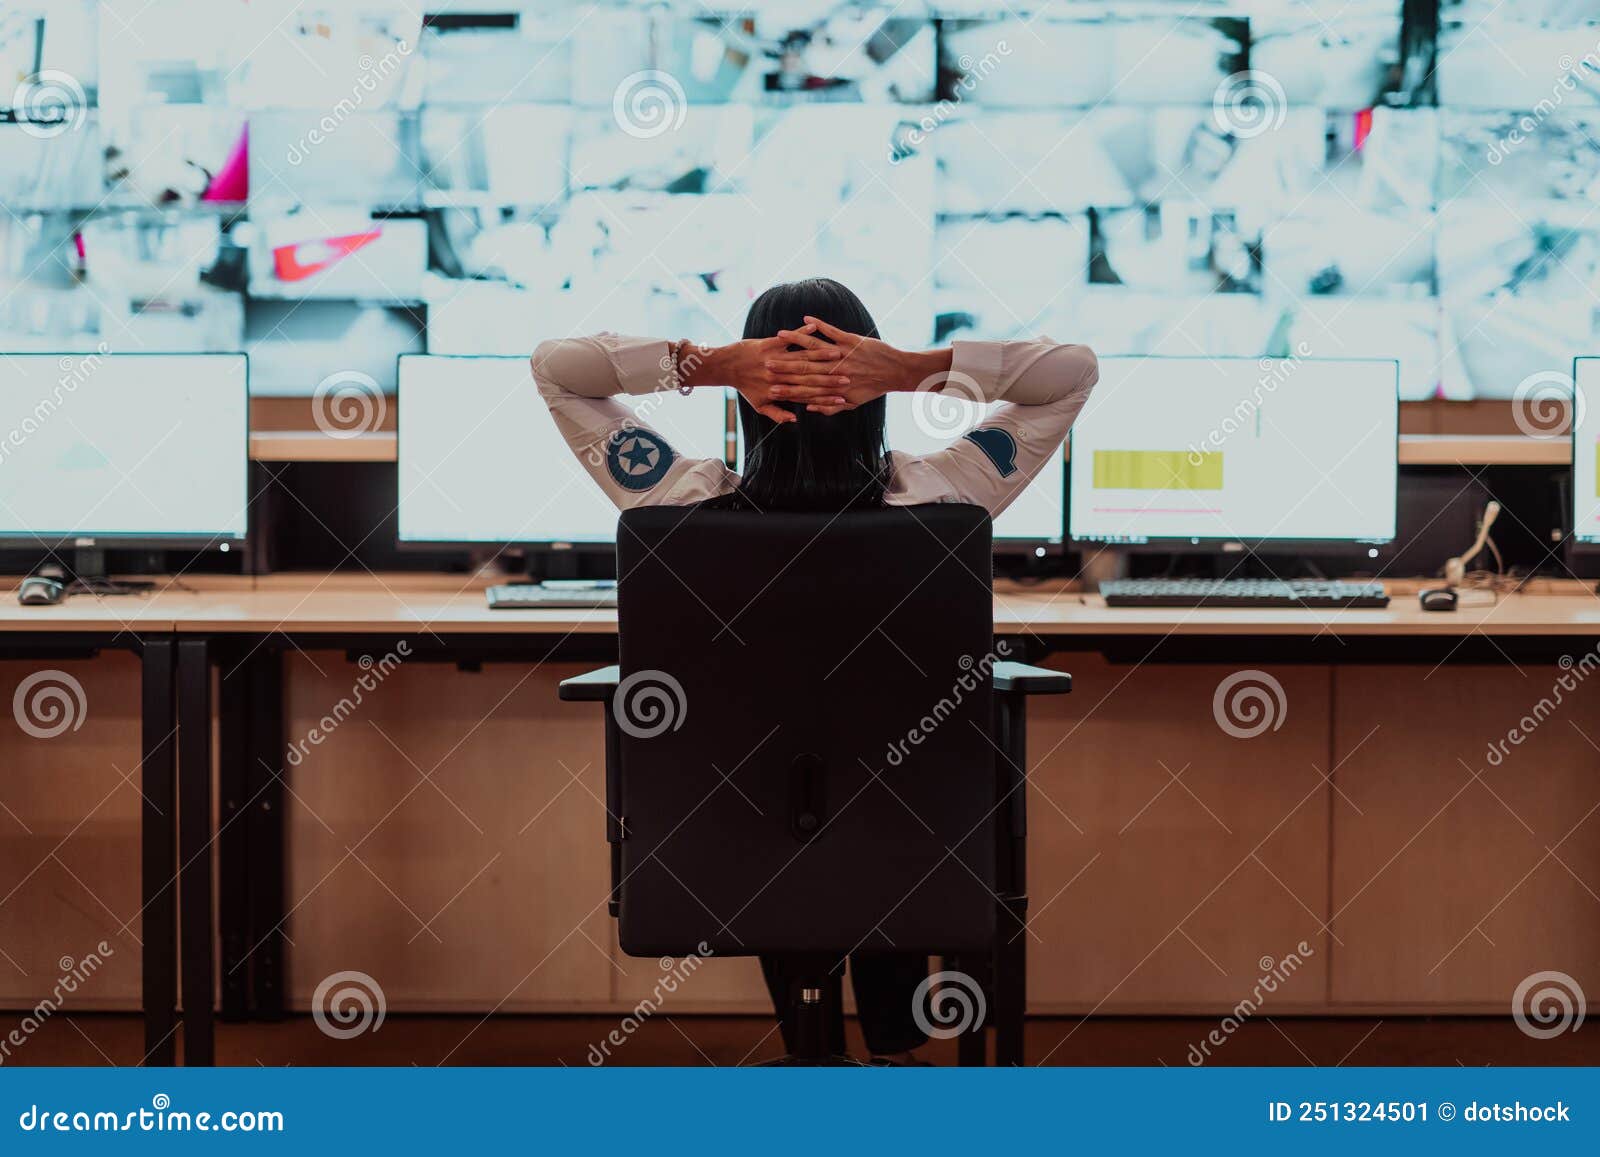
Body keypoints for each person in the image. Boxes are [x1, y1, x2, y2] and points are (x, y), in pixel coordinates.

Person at [531, 277, 1097, 1061]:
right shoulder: (948, 496)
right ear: (874, 392)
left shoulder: (672, 501)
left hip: (734, 837)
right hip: (913, 835)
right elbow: (1073, 371)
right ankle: (893, 1043)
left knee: (783, 769)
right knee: (868, 773)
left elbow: (556, 368)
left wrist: (710, 364)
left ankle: (814, 1052)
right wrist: (913, 369)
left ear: (747, 397)